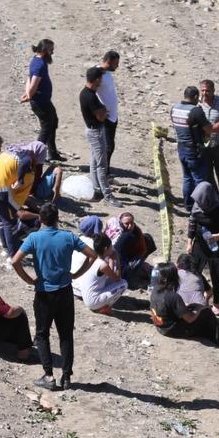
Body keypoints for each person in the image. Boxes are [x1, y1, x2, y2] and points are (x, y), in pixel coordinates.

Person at [11, 204, 97, 392]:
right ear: (57, 218)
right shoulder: (68, 236)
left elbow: (15, 260)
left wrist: (28, 280)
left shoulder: (34, 238)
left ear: (40, 219)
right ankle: (66, 377)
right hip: (65, 291)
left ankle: (49, 375)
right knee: (66, 335)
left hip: (44, 293)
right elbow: (92, 255)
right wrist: (76, 274)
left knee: (42, 334)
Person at [0, 141, 48, 257]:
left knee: (0, 218)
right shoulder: (27, 159)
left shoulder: (12, 151)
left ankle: (4, 243)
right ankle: (13, 253)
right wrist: (20, 180)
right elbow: (25, 163)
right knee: (10, 223)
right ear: (37, 154)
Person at [187, 181, 219, 314]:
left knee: (216, 275)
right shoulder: (197, 207)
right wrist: (189, 241)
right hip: (200, 244)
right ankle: (208, 290)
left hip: (216, 246)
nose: (198, 202)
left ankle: (217, 303)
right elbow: (192, 223)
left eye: (200, 199)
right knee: (193, 269)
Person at [150, 264, 219, 347]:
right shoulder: (173, 297)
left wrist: (185, 306)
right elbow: (190, 319)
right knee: (207, 313)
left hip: (160, 327)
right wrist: (200, 309)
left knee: (192, 308)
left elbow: (168, 306)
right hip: (171, 331)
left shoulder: (156, 289)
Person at [170, 86, 214, 210]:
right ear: (195, 97)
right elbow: (209, 129)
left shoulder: (174, 108)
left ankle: (188, 205)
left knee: (187, 178)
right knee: (199, 180)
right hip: (194, 150)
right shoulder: (195, 111)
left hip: (181, 147)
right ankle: (200, 207)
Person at [20, 39, 64, 161]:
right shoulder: (40, 65)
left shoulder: (36, 60)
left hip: (43, 100)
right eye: (51, 50)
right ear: (45, 51)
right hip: (41, 102)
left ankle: (52, 152)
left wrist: (27, 93)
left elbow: (29, 79)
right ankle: (35, 155)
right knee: (46, 128)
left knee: (53, 121)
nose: (53, 53)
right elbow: (34, 82)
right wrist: (29, 94)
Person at [80, 67, 117, 206]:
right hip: (96, 132)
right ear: (96, 80)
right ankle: (107, 195)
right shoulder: (90, 96)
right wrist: (105, 112)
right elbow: (101, 117)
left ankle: (96, 189)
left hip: (91, 131)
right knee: (101, 165)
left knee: (94, 162)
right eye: (100, 79)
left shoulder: (86, 93)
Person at [73, 233, 127, 314]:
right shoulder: (102, 264)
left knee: (110, 280)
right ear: (105, 249)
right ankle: (102, 307)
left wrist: (111, 260)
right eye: (111, 247)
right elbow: (117, 278)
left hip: (86, 295)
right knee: (124, 283)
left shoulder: (92, 258)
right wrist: (117, 259)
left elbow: (110, 275)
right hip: (92, 302)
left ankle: (101, 304)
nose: (112, 248)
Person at [198, 79, 219, 206]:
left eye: (208, 90)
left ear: (213, 91)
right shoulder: (197, 104)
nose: (205, 93)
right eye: (203, 90)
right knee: (208, 174)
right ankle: (216, 197)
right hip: (203, 146)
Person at [108, 211, 156, 289]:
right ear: (120, 223)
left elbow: (142, 249)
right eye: (126, 223)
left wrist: (137, 259)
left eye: (131, 223)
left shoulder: (136, 232)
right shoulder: (117, 232)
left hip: (132, 254)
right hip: (118, 260)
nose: (130, 226)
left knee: (147, 238)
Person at [96, 50, 120, 164]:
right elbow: (91, 92)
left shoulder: (107, 73)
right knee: (107, 146)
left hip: (112, 115)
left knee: (110, 145)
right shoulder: (97, 74)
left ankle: (105, 170)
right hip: (105, 116)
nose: (117, 66)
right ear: (109, 62)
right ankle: (103, 172)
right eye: (116, 63)